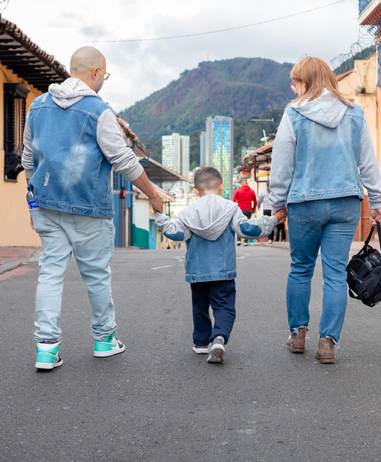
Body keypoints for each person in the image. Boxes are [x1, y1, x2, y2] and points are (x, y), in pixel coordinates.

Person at [22, 46, 164, 370]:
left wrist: (32, 205)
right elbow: (123, 158)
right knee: (97, 276)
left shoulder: (37, 107)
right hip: (88, 210)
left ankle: (46, 349)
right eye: (106, 75)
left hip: (45, 205)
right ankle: (104, 340)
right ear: (97, 74)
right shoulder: (98, 111)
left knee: (50, 276)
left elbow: (28, 161)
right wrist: (153, 194)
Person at [269, 56, 381, 364]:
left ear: (306, 82)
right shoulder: (354, 113)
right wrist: (376, 201)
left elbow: (282, 164)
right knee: (334, 272)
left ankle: (298, 335)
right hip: (346, 202)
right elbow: (368, 162)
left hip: (305, 202)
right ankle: (328, 342)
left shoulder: (294, 114)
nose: (294, 89)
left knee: (301, 268)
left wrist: (275, 204)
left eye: (296, 82)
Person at [154, 167, 283, 364]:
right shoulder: (230, 208)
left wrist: (160, 216)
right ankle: (219, 338)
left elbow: (177, 233)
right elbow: (248, 229)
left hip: (197, 273)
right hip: (223, 272)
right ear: (222, 187)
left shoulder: (188, 212)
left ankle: (200, 344)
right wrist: (274, 219)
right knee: (224, 307)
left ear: (196, 191)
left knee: (200, 307)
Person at [232, 179, 257, 246]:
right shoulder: (252, 191)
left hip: (240, 210)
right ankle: (245, 241)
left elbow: (234, 200)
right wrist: (253, 209)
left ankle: (239, 240)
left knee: (239, 224)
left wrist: (234, 209)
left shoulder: (238, 190)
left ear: (242, 183)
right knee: (247, 224)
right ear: (247, 183)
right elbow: (255, 201)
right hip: (248, 210)